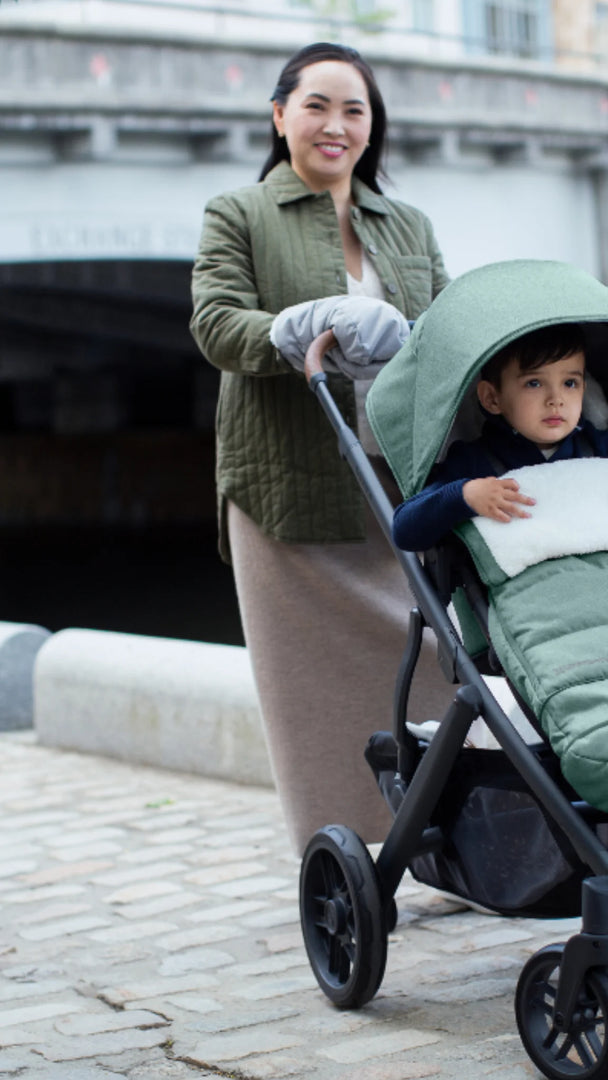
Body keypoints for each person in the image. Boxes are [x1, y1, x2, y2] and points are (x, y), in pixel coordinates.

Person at [189, 42, 450, 856]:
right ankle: (341, 848)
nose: (336, 125)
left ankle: (442, 825)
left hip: (403, 477)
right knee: (310, 685)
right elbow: (214, 324)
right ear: (279, 116)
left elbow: (448, 326)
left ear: (373, 128)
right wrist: (294, 331)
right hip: (289, 483)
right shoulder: (239, 213)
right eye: (317, 106)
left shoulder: (406, 223)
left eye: (355, 110)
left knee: (442, 654)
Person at [392, 323, 608, 554]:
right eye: (534, 383)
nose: (556, 399)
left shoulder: (596, 446)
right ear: (491, 398)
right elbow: (405, 529)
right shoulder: (476, 461)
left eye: (570, 383)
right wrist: (465, 495)